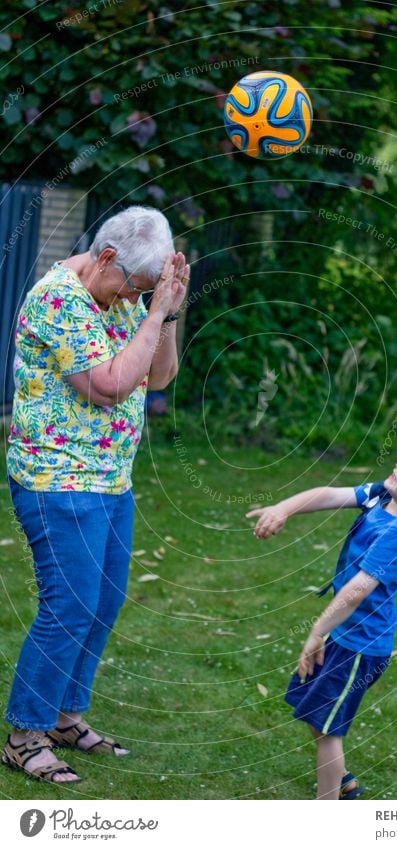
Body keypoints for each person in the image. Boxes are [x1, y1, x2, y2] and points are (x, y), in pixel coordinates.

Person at [3, 206, 189, 784]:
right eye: (135, 285)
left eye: (147, 289)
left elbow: (158, 377)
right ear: (107, 257)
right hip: (57, 479)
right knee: (70, 606)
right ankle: (24, 735)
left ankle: (64, 718)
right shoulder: (58, 300)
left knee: (102, 603)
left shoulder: (126, 296)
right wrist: (155, 311)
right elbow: (108, 386)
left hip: (110, 477)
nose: (136, 297)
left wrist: (169, 311)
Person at [247, 441, 397, 800]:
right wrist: (285, 508)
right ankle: (342, 778)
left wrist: (317, 631)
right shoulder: (383, 496)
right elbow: (330, 495)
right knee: (315, 712)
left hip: (360, 646)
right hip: (344, 634)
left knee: (329, 730)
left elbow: (357, 590)